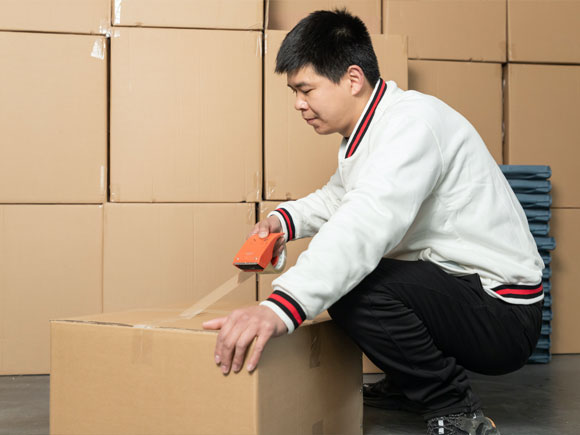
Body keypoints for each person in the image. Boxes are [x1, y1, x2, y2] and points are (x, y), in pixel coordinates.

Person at [203, 9, 543, 435]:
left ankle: (455, 410)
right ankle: (411, 384)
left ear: (351, 78)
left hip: (503, 312)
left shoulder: (411, 126)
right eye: (294, 92)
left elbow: (364, 222)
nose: (298, 104)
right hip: (461, 288)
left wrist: (280, 307)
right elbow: (341, 196)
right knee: (355, 276)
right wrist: (282, 221)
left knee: (354, 286)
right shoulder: (372, 128)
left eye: (306, 89)